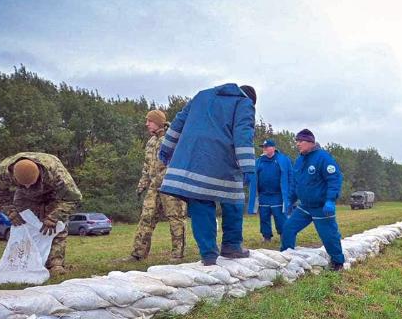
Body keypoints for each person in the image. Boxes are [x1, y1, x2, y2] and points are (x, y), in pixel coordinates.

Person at [158, 83, 256, 265]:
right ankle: (232, 246)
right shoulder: (244, 103)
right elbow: (243, 133)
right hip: (220, 157)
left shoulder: (201, 96)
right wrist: (248, 166)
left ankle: (209, 255)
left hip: (191, 159)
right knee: (234, 199)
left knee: (200, 202)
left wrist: (166, 147)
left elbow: (179, 121)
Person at [0, 152, 82, 275]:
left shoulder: (56, 171)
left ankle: (55, 264)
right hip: (24, 197)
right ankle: (24, 262)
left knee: (57, 227)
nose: (27, 186)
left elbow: (74, 198)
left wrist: (53, 217)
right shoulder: (3, 173)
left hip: (52, 194)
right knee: (25, 225)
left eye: (30, 184)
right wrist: (11, 212)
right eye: (23, 184)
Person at [125, 109, 187, 262]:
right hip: (154, 187)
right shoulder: (151, 142)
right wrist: (142, 185)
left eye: (150, 121)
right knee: (146, 218)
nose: (147, 124)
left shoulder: (173, 138)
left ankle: (177, 254)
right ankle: (137, 254)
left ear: (159, 122)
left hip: (171, 186)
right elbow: (147, 167)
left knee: (175, 219)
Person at [280, 129, 345, 271]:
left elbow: (334, 179)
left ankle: (338, 262)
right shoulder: (299, 160)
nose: (297, 144)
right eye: (296, 141)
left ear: (310, 142)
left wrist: (330, 200)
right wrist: (291, 200)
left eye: (300, 141)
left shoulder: (323, 158)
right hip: (305, 207)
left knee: (329, 236)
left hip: (321, 207)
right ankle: (286, 257)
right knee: (288, 228)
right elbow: (295, 183)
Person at [247, 139, 293, 242]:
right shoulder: (259, 161)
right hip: (264, 195)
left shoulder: (283, 160)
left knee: (280, 217)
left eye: (267, 147)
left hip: (278, 195)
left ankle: (284, 235)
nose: (264, 149)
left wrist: (291, 191)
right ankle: (266, 237)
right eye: (263, 147)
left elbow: (290, 176)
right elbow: (253, 176)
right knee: (264, 217)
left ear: (273, 148)